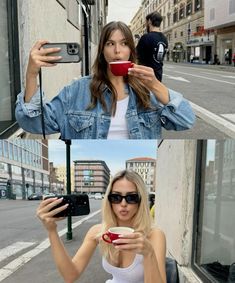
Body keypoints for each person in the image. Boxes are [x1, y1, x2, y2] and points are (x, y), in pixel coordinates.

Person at [15, 21, 195, 139]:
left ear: (131, 51)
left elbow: (186, 120)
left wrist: (156, 85)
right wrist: (31, 74)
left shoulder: (147, 91)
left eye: (124, 43)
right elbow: (32, 122)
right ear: (102, 51)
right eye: (110, 44)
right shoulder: (77, 90)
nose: (117, 50)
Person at [37, 170, 167, 283]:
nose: (123, 203)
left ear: (141, 201)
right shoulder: (98, 231)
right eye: (116, 197)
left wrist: (148, 253)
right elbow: (70, 275)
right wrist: (52, 230)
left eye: (131, 197)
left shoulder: (154, 235)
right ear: (109, 201)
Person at [136, 12, 168, 82]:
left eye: (146, 23)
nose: (146, 25)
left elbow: (136, 56)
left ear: (149, 21)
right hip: (158, 78)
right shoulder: (164, 39)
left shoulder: (145, 37)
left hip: (145, 77)